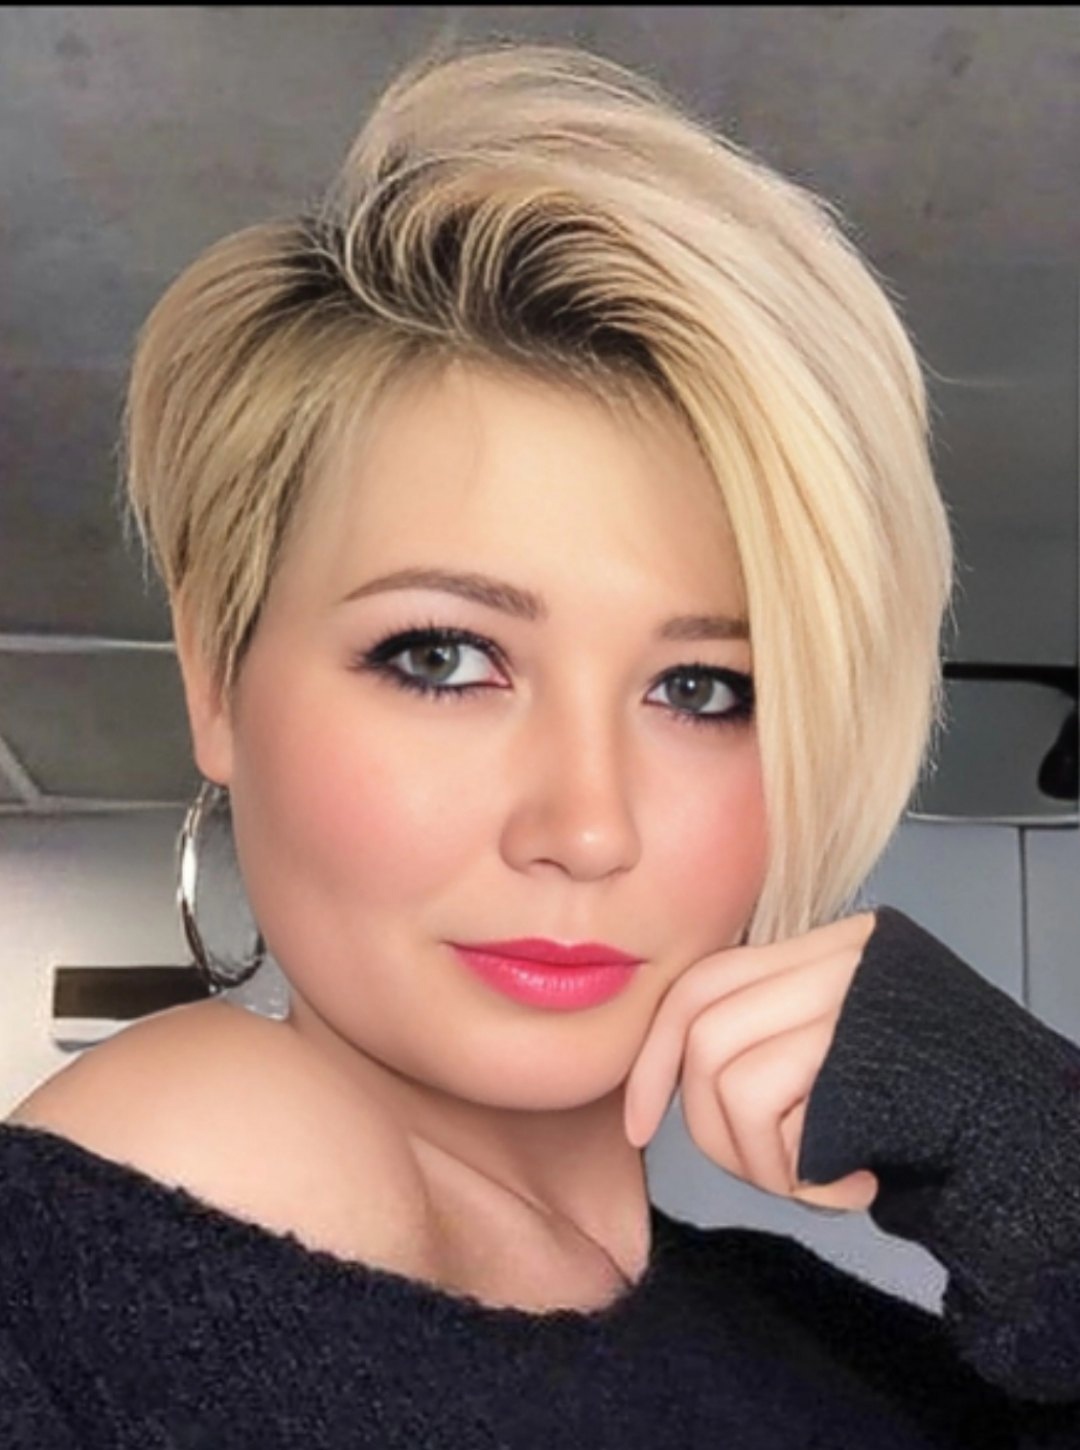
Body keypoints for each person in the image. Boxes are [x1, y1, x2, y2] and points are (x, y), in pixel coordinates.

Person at [1, 38, 1078, 1450]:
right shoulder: (78, 1257)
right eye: (442, 657)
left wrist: (1042, 1157)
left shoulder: (822, 1334)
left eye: (703, 688)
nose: (585, 824)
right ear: (217, 674)